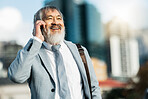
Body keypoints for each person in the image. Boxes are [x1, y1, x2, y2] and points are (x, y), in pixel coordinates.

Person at [8, 5, 102, 99]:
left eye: (59, 18)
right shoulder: (32, 53)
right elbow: (16, 76)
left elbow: (93, 87)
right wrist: (36, 40)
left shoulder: (80, 50)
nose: (56, 22)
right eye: (50, 18)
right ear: (39, 24)